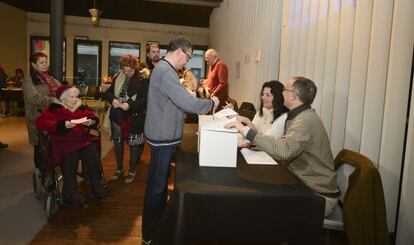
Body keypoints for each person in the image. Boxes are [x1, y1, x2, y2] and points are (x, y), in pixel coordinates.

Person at [142, 37, 219, 244]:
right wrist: (211, 102)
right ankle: (149, 235)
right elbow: (186, 103)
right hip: (162, 137)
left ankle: (157, 227)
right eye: (187, 57)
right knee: (157, 188)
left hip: (165, 135)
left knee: (159, 186)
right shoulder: (166, 71)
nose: (187, 62)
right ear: (179, 52)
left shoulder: (165, 70)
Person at [226, 76, 339, 217]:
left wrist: (246, 131)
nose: (281, 93)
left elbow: (284, 150)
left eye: (285, 89)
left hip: (317, 194)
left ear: (293, 96)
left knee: (261, 205)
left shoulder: (305, 120)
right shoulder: (299, 116)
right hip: (302, 184)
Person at [36, 85, 106, 204]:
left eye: (76, 96)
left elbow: (92, 116)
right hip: (63, 140)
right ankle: (69, 193)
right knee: (70, 156)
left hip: (81, 139)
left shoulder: (81, 107)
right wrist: (60, 125)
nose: (75, 99)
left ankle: (97, 186)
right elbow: (41, 122)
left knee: (92, 152)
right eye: (71, 97)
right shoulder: (54, 109)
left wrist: (91, 121)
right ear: (63, 99)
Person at [106, 54, 149, 184]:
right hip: (118, 116)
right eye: (124, 70)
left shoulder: (142, 80)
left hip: (135, 117)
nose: (127, 73)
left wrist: (129, 105)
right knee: (118, 143)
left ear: (135, 67)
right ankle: (119, 169)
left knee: (133, 145)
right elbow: (109, 92)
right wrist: (113, 99)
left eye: (129, 70)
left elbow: (145, 100)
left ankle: (132, 170)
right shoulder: (118, 77)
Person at [22, 52, 60, 173]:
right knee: (40, 147)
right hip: (37, 118)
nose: (45, 65)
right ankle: (41, 172)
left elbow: (60, 89)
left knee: (50, 145)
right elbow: (33, 97)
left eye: (46, 62)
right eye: (41, 62)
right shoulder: (28, 80)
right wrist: (51, 100)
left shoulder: (49, 78)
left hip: (51, 117)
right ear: (34, 65)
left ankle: (50, 169)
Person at [232, 80, 289, 147]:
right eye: (263, 94)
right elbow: (252, 133)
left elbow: (266, 141)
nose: (263, 97)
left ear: (277, 98)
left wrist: (247, 121)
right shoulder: (261, 111)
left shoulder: (283, 117)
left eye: (268, 95)